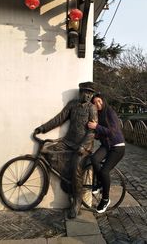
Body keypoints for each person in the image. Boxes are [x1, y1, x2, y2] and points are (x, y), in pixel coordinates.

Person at [34, 82, 98, 218]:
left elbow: (92, 131)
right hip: (67, 142)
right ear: (80, 92)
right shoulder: (72, 105)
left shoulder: (92, 108)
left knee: (77, 171)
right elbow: (59, 118)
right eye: (85, 92)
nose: (88, 95)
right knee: (47, 150)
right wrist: (43, 128)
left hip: (83, 146)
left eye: (90, 93)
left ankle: (76, 202)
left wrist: (84, 146)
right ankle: (68, 180)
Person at [88, 93, 125, 213]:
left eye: (99, 101)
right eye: (95, 102)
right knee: (94, 159)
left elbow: (113, 131)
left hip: (117, 147)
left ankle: (105, 199)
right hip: (106, 146)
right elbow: (101, 134)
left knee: (104, 171)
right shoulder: (98, 115)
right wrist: (95, 132)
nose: (98, 104)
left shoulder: (110, 112)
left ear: (103, 100)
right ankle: (99, 183)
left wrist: (96, 126)